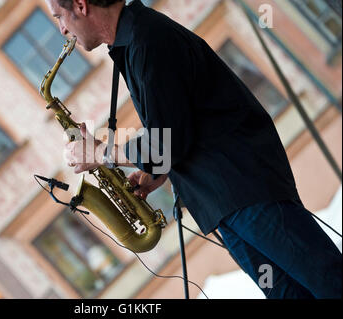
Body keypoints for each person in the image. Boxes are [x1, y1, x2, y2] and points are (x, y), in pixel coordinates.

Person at [46, 0, 342, 298]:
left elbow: (165, 142)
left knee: (329, 283)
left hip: (241, 190)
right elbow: (179, 129)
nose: (61, 29)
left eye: (60, 17)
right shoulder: (136, 41)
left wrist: (99, 153)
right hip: (226, 200)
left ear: (81, 5)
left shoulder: (147, 39)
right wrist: (158, 171)